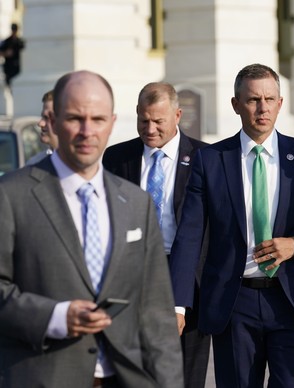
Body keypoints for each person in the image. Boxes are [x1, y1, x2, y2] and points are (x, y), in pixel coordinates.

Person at [0, 70, 183, 387]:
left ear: (111, 123)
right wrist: (55, 317)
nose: (87, 131)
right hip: (45, 375)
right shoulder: (11, 194)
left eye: (97, 119)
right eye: (75, 118)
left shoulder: (136, 203)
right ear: (54, 121)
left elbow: (155, 313)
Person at [169, 63, 294, 388]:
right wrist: (178, 305)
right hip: (234, 303)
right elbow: (190, 236)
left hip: (291, 300)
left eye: (269, 99)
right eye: (252, 100)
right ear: (236, 104)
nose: (262, 108)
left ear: (280, 103)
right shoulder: (210, 161)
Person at [103, 81, 210, 388]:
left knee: (186, 375)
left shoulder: (205, 157)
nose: (149, 129)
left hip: (189, 280)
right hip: (132, 280)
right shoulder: (116, 158)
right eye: (143, 120)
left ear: (177, 115)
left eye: (158, 121)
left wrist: (181, 301)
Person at [26, 90, 59, 165]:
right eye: (42, 117)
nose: (40, 123)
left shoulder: (84, 166)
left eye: (47, 118)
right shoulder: (34, 164)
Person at [0, 23, 25, 87]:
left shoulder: (20, 42)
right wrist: (6, 53)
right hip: (8, 68)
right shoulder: (7, 41)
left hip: (18, 68)